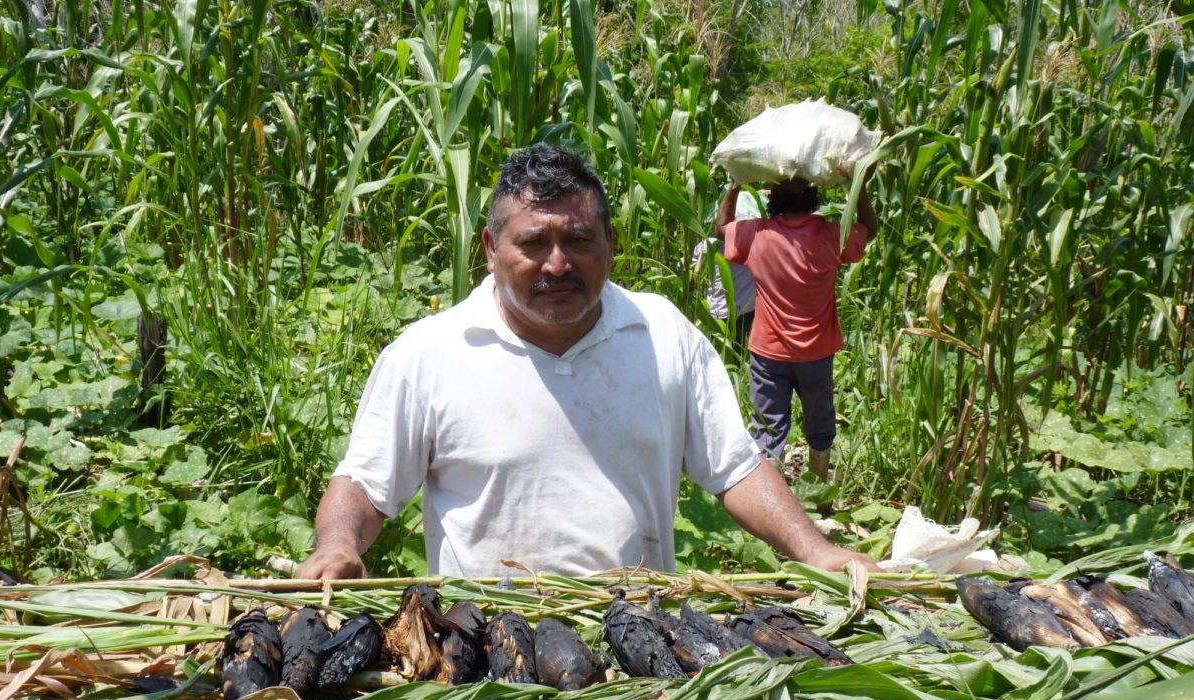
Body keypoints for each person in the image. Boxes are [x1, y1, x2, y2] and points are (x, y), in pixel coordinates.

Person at [297, 144, 876, 581]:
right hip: (487, 651)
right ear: (490, 251)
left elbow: (736, 469)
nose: (557, 264)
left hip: (642, 639)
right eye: (532, 244)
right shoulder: (429, 354)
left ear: (611, 244)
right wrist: (338, 545)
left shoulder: (661, 333)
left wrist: (816, 550)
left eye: (578, 241)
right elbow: (366, 484)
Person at [715, 175, 877, 484]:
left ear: (774, 199)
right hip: (815, 352)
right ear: (813, 199)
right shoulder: (832, 236)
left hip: (768, 352)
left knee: (768, 428)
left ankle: (768, 504)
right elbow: (869, 230)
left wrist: (735, 185)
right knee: (820, 424)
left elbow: (721, 229)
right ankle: (818, 493)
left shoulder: (757, 235)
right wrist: (859, 186)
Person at [698, 189, 764, 346]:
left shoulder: (707, 245)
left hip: (715, 312)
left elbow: (685, 269)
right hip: (745, 311)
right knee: (740, 352)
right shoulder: (753, 246)